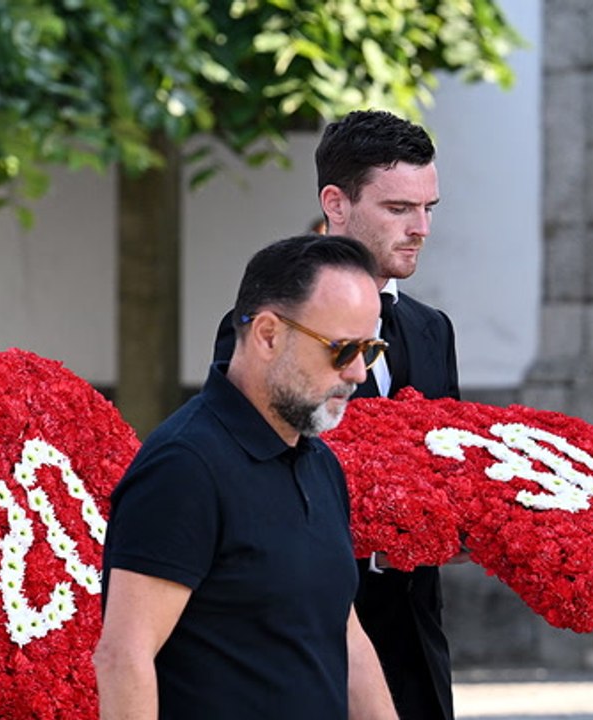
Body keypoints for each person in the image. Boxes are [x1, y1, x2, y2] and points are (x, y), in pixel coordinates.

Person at [212, 110, 461, 720]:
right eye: (400, 208)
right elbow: (248, 484)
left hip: (415, 651)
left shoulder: (432, 331)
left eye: (429, 207)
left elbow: (451, 473)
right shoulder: (264, 330)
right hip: (301, 650)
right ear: (336, 203)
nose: (421, 227)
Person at [96, 235, 398, 719]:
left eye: (371, 350)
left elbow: (345, 635)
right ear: (268, 334)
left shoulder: (320, 462)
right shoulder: (184, 466)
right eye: (342, 350)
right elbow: (124, 658)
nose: (359, 373)